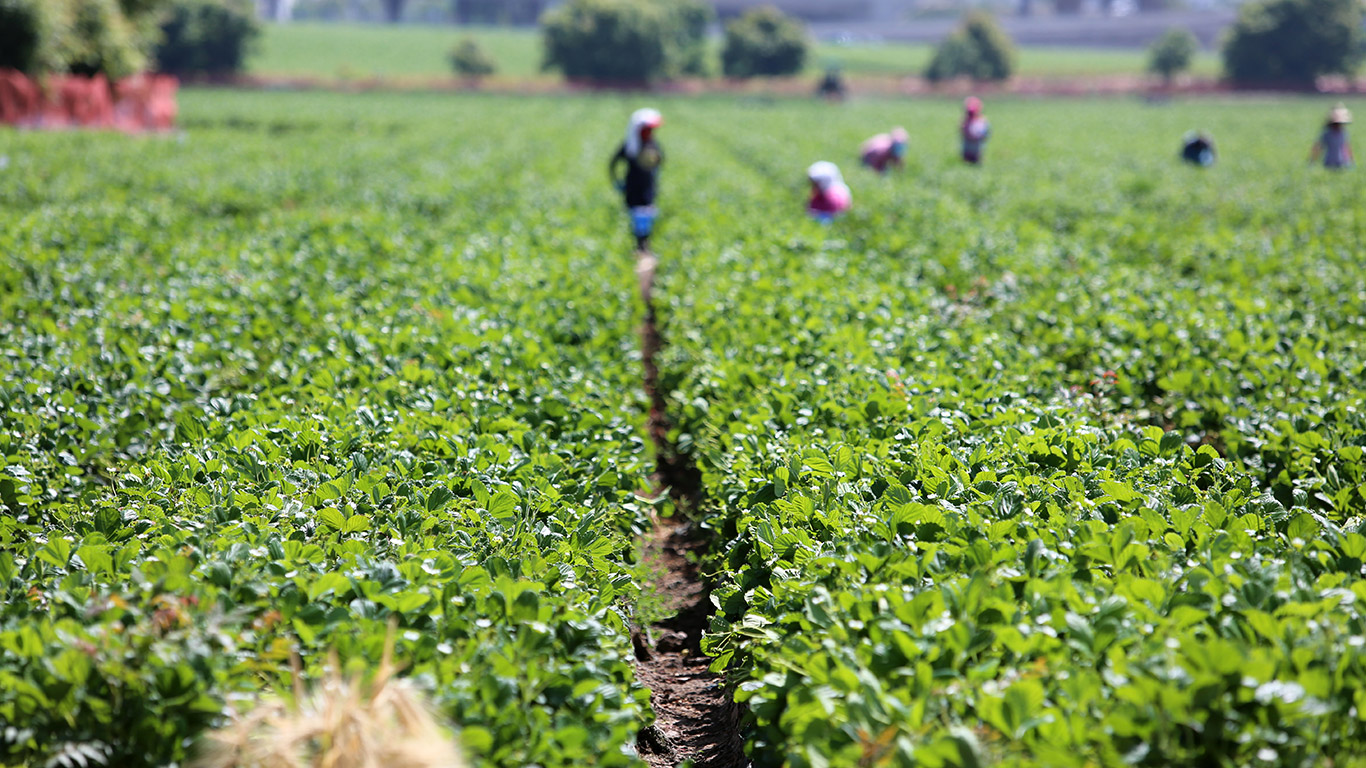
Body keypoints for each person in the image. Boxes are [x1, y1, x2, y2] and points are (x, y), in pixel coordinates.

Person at [609, 108, 665, 250]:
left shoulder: (652, 145)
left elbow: (660, 162)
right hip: (633, 187)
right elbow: (613, 163)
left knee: (646, 217)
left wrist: (656, 175)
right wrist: (616, 181)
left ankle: (644, 244)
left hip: (648, 187)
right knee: (636, 217)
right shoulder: (630, 146)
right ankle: (639, 245)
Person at [1310, 103, 1354, 170]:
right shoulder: (1326, 134)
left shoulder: (1343, 133)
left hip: (1341, 163)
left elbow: (1346, 147)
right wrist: (1312, 161)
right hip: (1329, 163)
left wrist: (1350, 161)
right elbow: (1318, 147)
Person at [961, 96, 990, 165]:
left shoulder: (981, 121)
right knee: (967, 161)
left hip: (977, 146)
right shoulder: (965, 121)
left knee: (976, 160)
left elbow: (985, 133)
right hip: (968, 146)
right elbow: (963, 131)